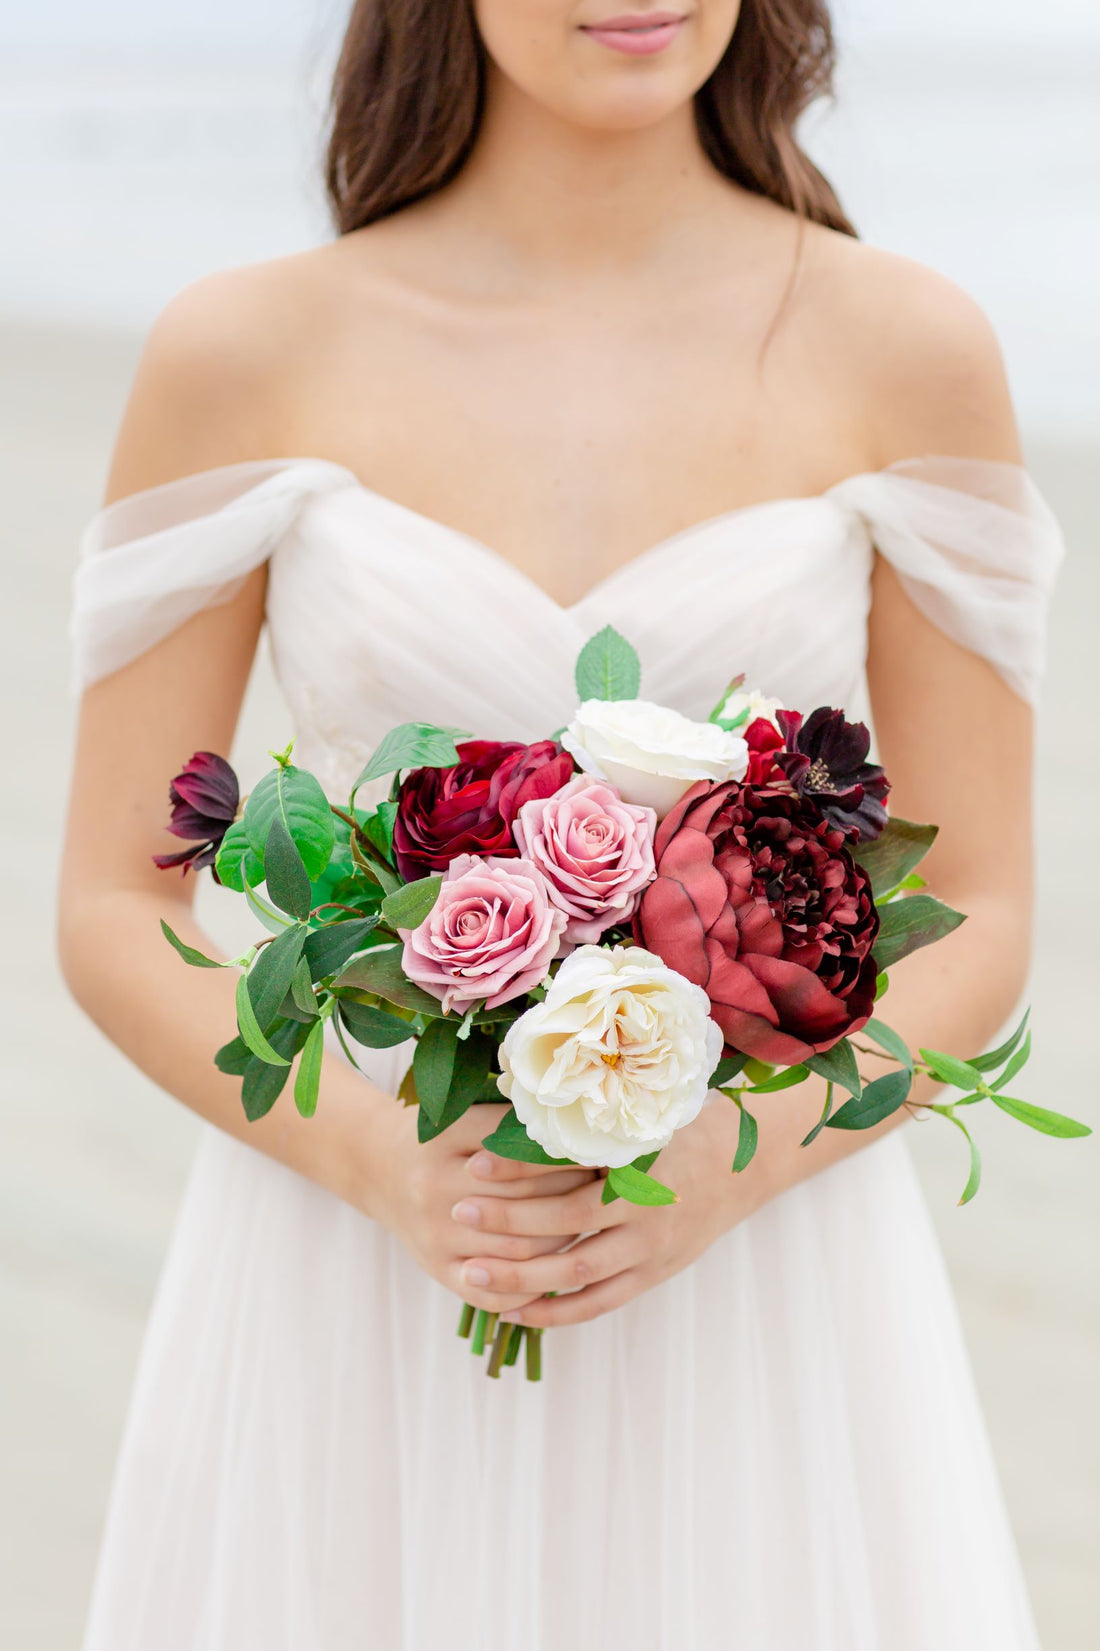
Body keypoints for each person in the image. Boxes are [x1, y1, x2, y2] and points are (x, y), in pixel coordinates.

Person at [58, 3, 1063, 1647]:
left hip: (757, 1271)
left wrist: (727, 1176)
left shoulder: (904, 347)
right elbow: (116, 898)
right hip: (355, 1256)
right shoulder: (244, 351)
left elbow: (982, 904)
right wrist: (378, 1158)